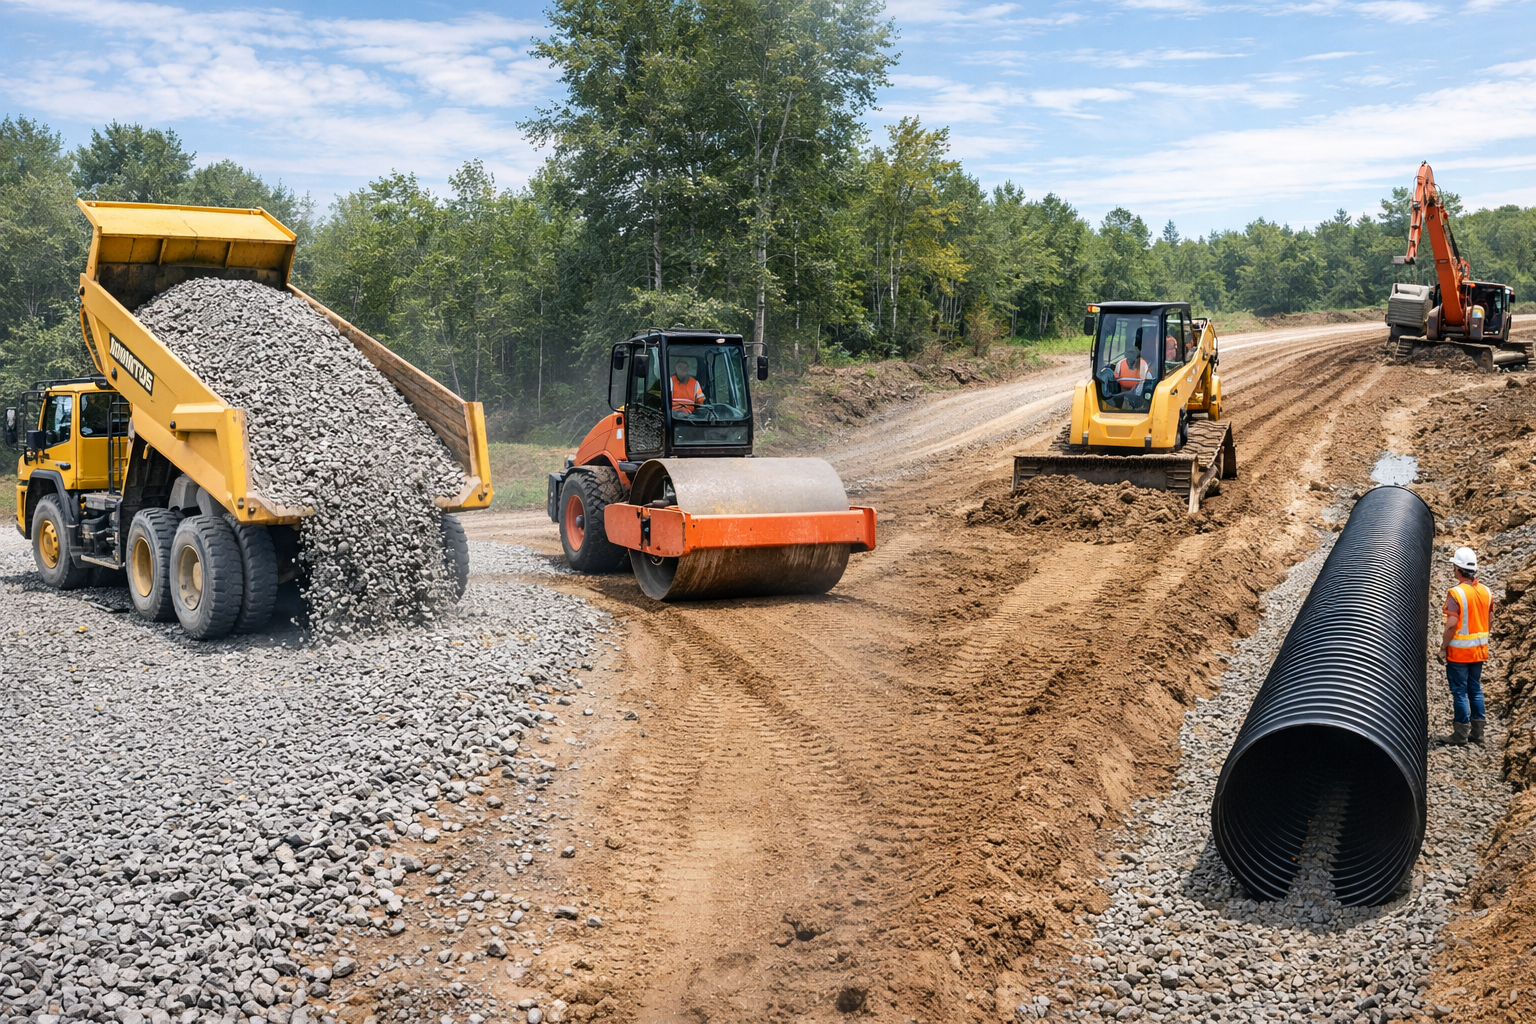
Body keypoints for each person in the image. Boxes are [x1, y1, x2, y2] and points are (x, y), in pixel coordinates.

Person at [1441, 546, 1494, 746]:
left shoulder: (1456, 593)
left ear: (1458, 569)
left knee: (1460, 692)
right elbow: (1490, 619)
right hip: (1479, 651)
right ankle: (1478, 734)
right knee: (1475, 689)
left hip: (1460, 653)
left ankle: (1460, 734)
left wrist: (1443, 647)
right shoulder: (1486, 592)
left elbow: (1452, 625)